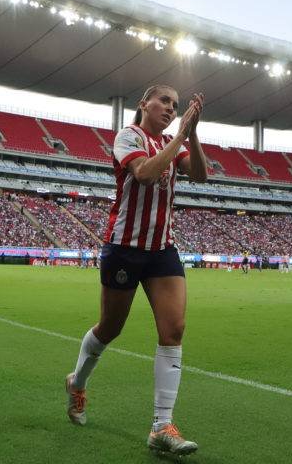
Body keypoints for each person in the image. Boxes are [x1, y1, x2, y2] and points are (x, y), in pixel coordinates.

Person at [64, 85, 207, 456]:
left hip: (162, 250)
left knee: (174, 330)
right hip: (125, 249)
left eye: (176, 106)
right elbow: (143, 174)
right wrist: (180, 136)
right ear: (144, 103)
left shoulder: (174, 144)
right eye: (164, 101)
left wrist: (191, 134)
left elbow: (202, 176)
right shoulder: (128, 136)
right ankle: (77, 382)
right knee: (110, 328)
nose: (171, 109)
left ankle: (161, 427)